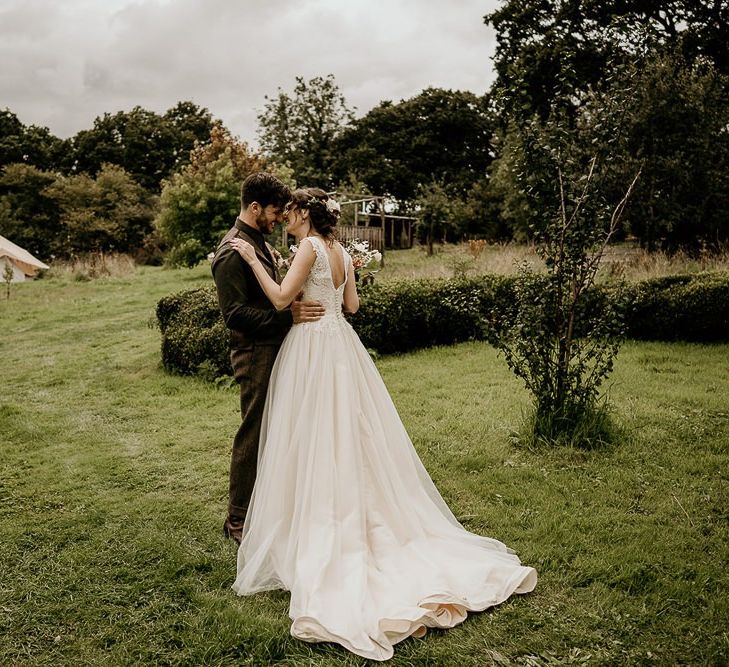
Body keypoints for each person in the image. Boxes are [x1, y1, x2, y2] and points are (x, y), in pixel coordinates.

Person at [229, 187, 537, 662]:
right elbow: (351, 307)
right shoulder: (341, 253)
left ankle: (320, 519)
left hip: (311, 348)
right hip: (343, 348)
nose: (286, 218)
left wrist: (252, 261)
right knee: (349, 432)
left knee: (312, 435)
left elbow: (278, 300)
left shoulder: (308, 248)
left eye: (291, 212)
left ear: (308, 214)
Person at [211, 173, 325, 545]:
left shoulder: (256, 241)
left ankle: (271, 507)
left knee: (278, 430)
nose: (279, 218)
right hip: (255, 352)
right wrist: (285, 315)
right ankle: (238, 519)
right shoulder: (232, 251)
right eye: (275, 212)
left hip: (276, 347)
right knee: (254, 430)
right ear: (255, 207)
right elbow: (235, 315)